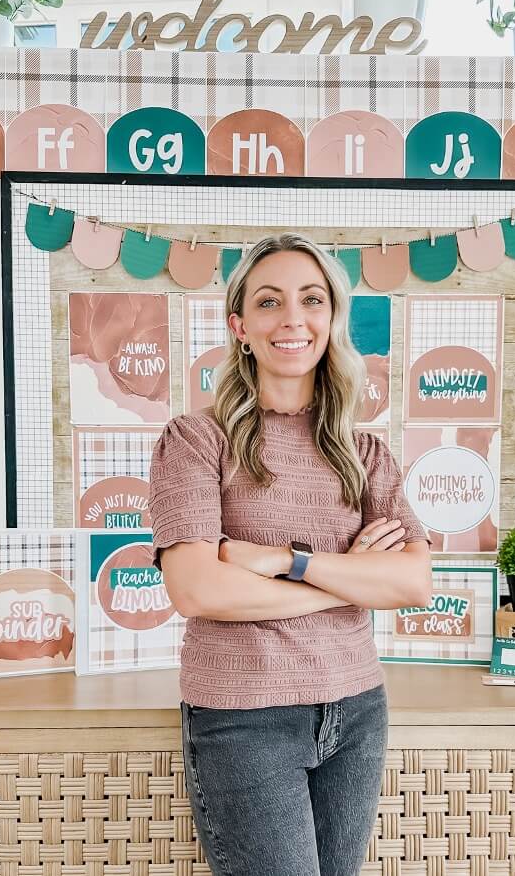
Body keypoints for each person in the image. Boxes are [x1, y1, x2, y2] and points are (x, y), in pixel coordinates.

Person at [149, 232, 433, 876]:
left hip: (357, 709)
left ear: (331, 320)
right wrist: (352, 580)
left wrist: (285, 561)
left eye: (311, 300)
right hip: (245, 717)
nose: (292, 320)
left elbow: (414, 580)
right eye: (269, 302)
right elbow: (196, 590)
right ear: (240, 327)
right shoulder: (195, 442)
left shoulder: (364, 455)